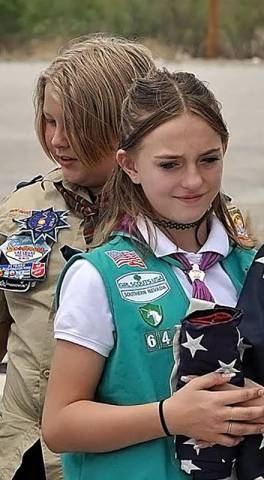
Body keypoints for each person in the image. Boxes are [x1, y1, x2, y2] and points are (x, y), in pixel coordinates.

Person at [41, 69, 264, 480]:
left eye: (209, 160)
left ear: (225, 150)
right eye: (169, 165)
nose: (193, 180)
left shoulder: (255, 269)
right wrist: (169, 417)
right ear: (130, 165)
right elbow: (59, 425)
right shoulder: (98, 277)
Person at [0, 35, 155, 480]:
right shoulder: (21, 212)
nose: (57, 139)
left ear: (127, 126)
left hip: (131, 454)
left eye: (77, 125)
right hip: (27, 450)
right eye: (49, 121)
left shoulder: (177, 217)